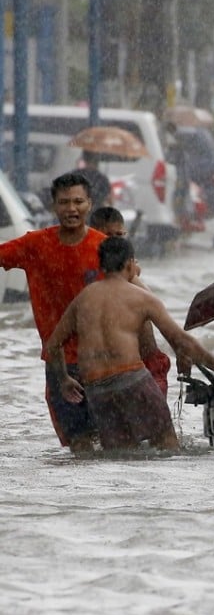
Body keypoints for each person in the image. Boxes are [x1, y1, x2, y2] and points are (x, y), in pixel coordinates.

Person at [45, 236, 214, 452]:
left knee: (120, 455)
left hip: (97, 389)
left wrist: (64, 379)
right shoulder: (142, 298)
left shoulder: (83, 298)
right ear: (130, 264)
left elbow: (52, 346)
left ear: (101, 265)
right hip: (132, 380)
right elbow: (183, 341)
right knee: (168, 446)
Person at [0, 172, 106, 452]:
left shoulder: (103, 248)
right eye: (64, 202)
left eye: (78, 202)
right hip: (59, 363)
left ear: (90, 204)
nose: (71, 209)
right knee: (78, 446)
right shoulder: (34, 244)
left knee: (109, 443)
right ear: (53, 207)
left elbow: (130, 295)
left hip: (102, 358)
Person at [89, 206, 178, 396]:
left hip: (147, 365)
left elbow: (154, 306)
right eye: (106, 235)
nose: (113, 241)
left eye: (118, 235)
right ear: (92, 236)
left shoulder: (128, 270)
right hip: (115, 370)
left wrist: (180, 347)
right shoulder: (92, 273)